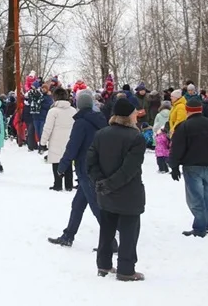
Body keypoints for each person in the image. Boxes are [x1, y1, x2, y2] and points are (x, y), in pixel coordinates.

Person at [86, 98, 146, 281]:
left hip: (106, 193)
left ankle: (103, 265)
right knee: (129, 232)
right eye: (134, 113)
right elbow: (130, 169)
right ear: (129, 116)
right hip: (128, 194)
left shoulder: (101, 134)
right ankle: (126, 270)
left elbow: (90, 162)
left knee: (107, 229)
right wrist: (108, 184)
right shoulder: (136, 138)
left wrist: (101, 182)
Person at [48, 89, 108, 247]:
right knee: (78, 204)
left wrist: (62, 166)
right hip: (96, 166)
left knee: (96, 206)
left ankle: (111, 241)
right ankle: (68, 235)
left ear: (79, 105)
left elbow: (72, 146)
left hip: (85, 168)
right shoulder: (101, 120)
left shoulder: (81, 123)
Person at [169, 97, 208, 238]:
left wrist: (174, 166)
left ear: (187, 110)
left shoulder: (184, 127)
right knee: (207, 196)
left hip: (192, 166)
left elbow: (177, 148)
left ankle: (200, 228)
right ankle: (207, 224)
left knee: (195, 199)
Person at [40, 88, 76, 191]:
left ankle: (58, 184)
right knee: (68, 161)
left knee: (56, 162)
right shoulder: (73, 110)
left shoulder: (53, 111)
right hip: (69, 139)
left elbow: (48, 128)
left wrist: (43, 143)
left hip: (56, 140)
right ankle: (69, 184)